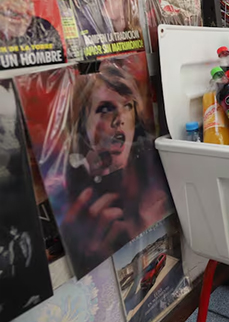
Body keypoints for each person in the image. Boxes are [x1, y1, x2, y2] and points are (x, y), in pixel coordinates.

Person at [62, 57, 172, 276]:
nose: (120, 118)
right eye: (105, 108)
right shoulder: (75, 192)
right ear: (83, 123)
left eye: (127, 106)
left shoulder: (152, 170)